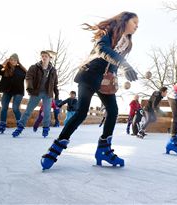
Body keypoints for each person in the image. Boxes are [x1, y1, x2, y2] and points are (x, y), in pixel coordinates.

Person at [40, 11, 138, 170]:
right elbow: (103, 50)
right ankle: (56, 148)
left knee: (113, 111)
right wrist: (124, 65)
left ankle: (104, 149)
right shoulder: (107, 34)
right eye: (135, 22)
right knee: (81, 112)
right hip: (89, 75)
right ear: (125, 21)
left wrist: (115, 76)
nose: (136, 26)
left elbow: (112, 63)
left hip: (105, 81)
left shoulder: (127, 43)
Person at [11, 50, 59, 138]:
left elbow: (55, 83)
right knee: (28, 111)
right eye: (42, 56)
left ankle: (45, 128)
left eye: (46, 56)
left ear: (50, 58)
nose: (44, 58)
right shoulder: (34, 67)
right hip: (36, 92)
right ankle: (20, 127)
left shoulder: (53, 70)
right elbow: (28, 77)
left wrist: (57, 96)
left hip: (48, 94)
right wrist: (29, 89)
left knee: (47, 111)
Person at [0, 54, 27, 134]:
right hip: (7, 91)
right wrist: (3, 63)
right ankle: (2, 126)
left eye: (15, 60)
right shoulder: (5, 69)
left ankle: (20, 125)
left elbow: (30, 78)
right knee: (4, 108)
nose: (13, 61)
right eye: (11, 60)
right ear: (9, 60)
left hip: (18, 91)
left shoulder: (22, 70)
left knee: (15, 108)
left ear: (17, 61)